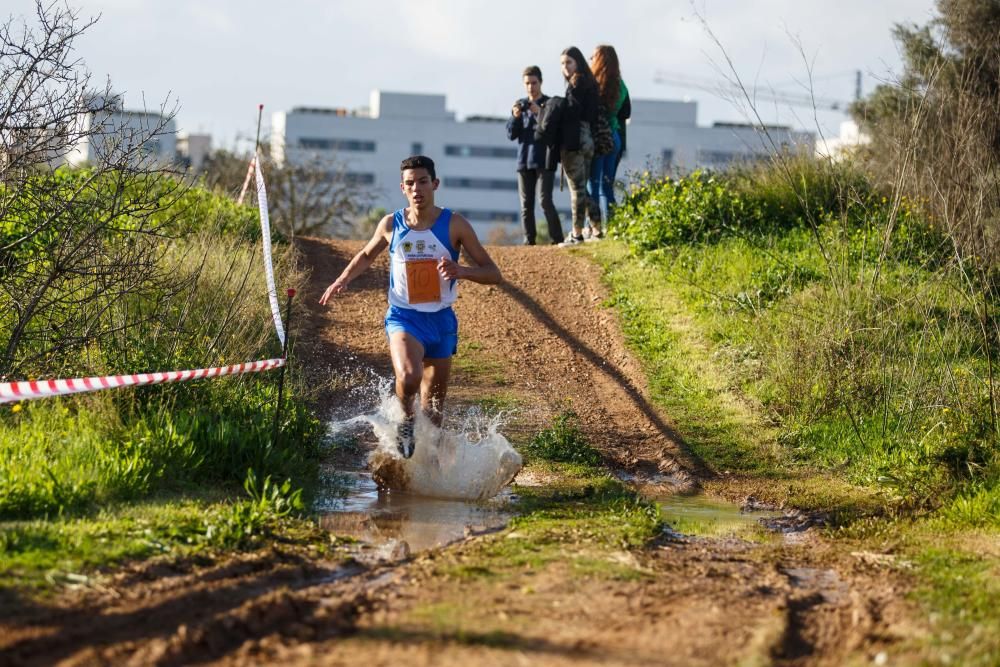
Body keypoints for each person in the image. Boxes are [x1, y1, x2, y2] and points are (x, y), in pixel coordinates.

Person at [319, 156, 503, 458]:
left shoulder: (455, 224)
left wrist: (462, 271)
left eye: (422, 181)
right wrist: (341, 279)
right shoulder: (392, 223)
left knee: (433, 413)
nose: (416, 188)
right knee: (408, 376)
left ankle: (422, 473)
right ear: (402, 188)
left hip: (442, 323)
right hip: (404, 317)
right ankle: (404, 418)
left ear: (434, 184)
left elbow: (493, 273)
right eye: (410, 183)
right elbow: (366, 254)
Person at [507, 65, 564, 245]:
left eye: (534, 83)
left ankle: (557, 239)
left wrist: (539, 113)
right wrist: (515, 116)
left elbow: (554, 130)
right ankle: (529, 241)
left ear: (540, 82)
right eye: (527, 83)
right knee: (526, 205)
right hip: (524, 161)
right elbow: (510, 134)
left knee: (545, 201)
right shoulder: (519, 105)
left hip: (545, 159)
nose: (530, 87)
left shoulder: (549, 104)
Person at [555, 46, 600, 247]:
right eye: (562, 64)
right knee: (583, 188)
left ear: (578, 62)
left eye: (569, 62)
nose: (565, 67)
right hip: (588, 138)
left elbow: (572, 112)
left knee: (576, 190)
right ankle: (597, 229)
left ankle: (576, 234)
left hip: (574, 140)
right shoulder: (590, 82)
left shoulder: (576, 82)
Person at [587, 45, 631, 239]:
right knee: (607, 186)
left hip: (598, 138)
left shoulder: (593, 84)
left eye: (593, 56)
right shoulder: (621, 85)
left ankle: (595, 228)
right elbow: (626, 112)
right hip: (614, 138)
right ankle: (613, 228)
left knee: (592, 185)